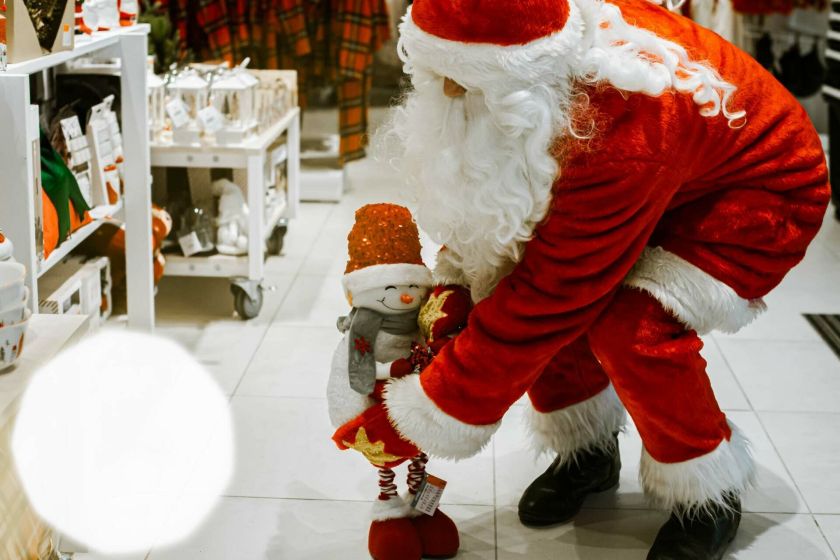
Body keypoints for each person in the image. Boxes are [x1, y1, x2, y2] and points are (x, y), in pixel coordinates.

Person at [362, 0, 829, 557]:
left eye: (464, 80)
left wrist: (442, 401)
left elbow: (558, 290)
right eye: (438, 75)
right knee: (525, 270)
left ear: (519, 73)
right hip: (669, 172)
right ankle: (586, 455)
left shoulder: (620, 125)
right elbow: (500, 223)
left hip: (760, 190)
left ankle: (708, 494)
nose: (451, 95)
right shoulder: (530, 67)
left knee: (629, 327)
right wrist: (454, 293)